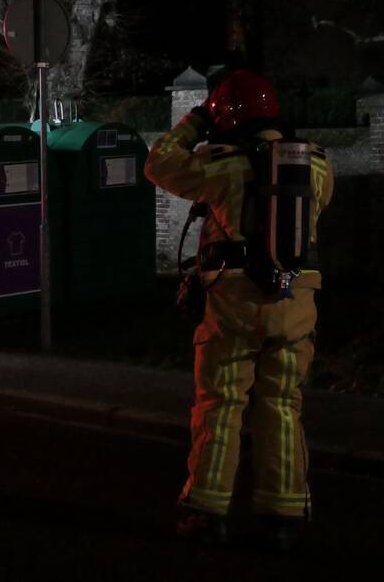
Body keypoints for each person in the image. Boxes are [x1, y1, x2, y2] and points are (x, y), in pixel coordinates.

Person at [145, 69, 334, 550]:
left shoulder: (219, 164)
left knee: (221, 406)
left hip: (234, 310)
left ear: (226, 116)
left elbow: (159, 164)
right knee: (283, 407)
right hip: (295, 309)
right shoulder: (315, 165)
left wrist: (194, 122)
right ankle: (284, 516)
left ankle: (207, 511)